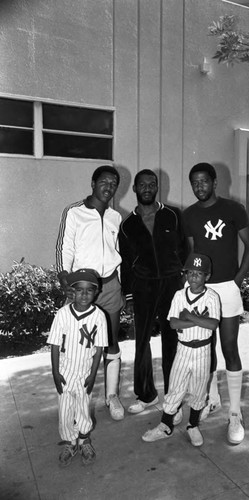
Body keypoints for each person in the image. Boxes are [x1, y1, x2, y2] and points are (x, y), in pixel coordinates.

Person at [183, 162, 249, 445]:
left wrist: (236, 281)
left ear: (214, 182)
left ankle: (235, 414)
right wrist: (191, 288)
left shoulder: (234, 209)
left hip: (227, 288)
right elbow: (192, 255)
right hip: (202, 290)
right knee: (203, 350)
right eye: (194, 183)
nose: (199, 186)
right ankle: (210, 400)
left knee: (229, 348)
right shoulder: (189, 215)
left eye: (203, 181)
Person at [56, 165, 125, 422]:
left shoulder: (115, 217)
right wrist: (64, 277)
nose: (109, 187)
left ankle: (112, 396)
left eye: (114, 183)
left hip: (110, 286)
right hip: (83, 289)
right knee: (77, 347)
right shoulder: (74, 212)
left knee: (111, 342)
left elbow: (118, 254)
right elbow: (65, 247)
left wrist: (122, 288)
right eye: (104, 182)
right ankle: (74, 396)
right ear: (93, 183)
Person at [119, 169, 188, 414]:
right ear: (135, 189)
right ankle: (147, 395)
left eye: (151, 184)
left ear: (157, 187)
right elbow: (126, 263)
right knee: (142, 342)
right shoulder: (127, 225)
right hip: (143, 286)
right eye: (142, 184)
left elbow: (183, 250)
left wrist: (180, 279)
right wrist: (128, 294)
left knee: (172, 341)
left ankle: (173, 398)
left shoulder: (173, 215)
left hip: (171, 284)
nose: (147, 188)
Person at [142, 253, 220, 447]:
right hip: (183, 349)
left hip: (203, 350)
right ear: (185, 274)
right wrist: (194, 319)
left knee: (199, 390)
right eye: (190, 272)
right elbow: (174, 322)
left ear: (207, 276)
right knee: (175, 388)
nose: (194, 277)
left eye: (199, 273)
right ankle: (165, 426)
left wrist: (188, 316)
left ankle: (193, 426)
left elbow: (212, 324)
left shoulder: (212, 297)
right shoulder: (179, 295)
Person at [47, 268, 108, 466]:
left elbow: (99, 348)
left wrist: (93, 374)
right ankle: (69, 443)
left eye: (89, 290)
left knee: (83, 407)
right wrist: (56, 373)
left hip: (85, 370)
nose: (84, 295)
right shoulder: (63, 314)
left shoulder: (98, 316)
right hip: (65, 370)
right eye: (79, 290)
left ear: (96, 292)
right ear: (72, 291)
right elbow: (55, 345)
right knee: (65, 410)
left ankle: (84, 440)